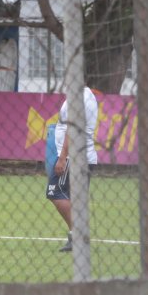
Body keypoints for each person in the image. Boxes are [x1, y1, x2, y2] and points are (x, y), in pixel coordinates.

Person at [48, 86, 100, 252]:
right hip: (81, 156)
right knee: (73, 198)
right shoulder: (84, 95)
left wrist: (63, 158)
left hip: (73, 157)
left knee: (55, 193)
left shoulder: (81, 97)